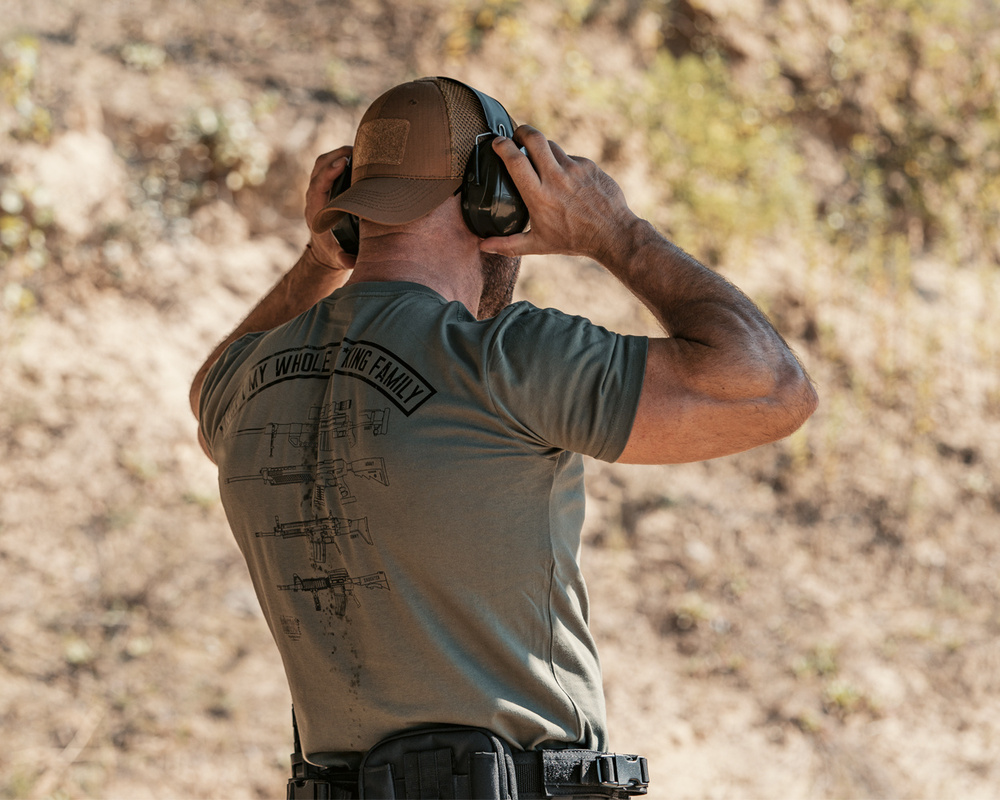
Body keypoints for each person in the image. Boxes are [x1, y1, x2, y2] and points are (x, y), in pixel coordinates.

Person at [190, 76, 817, 799]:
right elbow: (774, 389)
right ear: (496, 198)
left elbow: (208, 388)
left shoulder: (246, 385)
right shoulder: (502, 361)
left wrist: (318, 264)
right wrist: (615, 233)